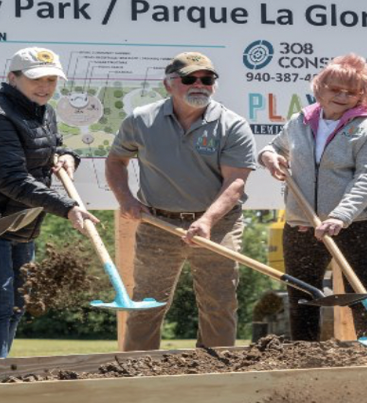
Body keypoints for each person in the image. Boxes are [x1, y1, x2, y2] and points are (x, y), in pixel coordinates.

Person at [0, 46, 98, 359]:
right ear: (12, 78)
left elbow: (51, 146)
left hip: (22, 221)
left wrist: (68, 155)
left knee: (17, 305)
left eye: (52, 80)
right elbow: (11, 179)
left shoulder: (42, 109)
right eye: (36, 80)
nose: (45, 87)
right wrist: (66, 207)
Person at [105, 52, 258, 351]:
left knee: (219, 303)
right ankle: (137, 371)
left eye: (207, 79)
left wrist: (207, 221)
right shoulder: (141, 120)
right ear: (169, 84)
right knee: (147, 304)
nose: (199, 84)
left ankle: (215, 373)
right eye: (189, 79)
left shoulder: (232, 125)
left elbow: (235, 183)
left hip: (218, 225)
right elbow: (115, 162)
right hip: (157, 223)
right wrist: (126, 199)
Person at [258, 53, 367, 341]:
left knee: (362, 296)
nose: (342, 96)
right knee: (302, 297)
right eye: (335, 89)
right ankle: (304, 358)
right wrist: (268, 156)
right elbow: (275, 147)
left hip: (358, 226)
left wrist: (341, 216)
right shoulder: (299, 121)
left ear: (361, 95)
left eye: (351, 92)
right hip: (303, 225)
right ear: (319, 87)